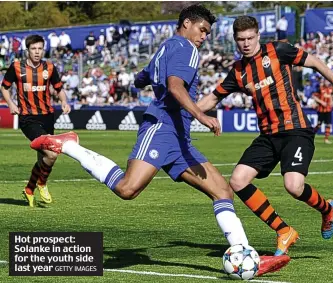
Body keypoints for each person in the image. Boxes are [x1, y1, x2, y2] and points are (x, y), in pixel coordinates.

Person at [31, 5, 289, 275]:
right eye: (202, 30)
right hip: (163, 129)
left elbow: (141, 77)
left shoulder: (166, 47)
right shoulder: (188, 49)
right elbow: (175, 85)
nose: (204, 37)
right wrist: (201, 114)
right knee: (127, 189)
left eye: (208, 33)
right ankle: (70, 144)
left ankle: (245, 257)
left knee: (222, 191)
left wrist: (143, 81)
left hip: (179, 139)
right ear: (187, 23)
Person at [197, 16, 333, 256]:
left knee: (293, 186)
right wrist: (188, 112)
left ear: (258, 36)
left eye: (250, 38)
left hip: (296, 130)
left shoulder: (278, 50)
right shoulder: (239, 72)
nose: (246, 43)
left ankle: (326, 209)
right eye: (241, 40)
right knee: (238, 180)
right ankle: (283, 231)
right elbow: (213, 98)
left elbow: (315, 62)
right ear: (235, 41)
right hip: (268, 136)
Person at [0, 35, 71, 207]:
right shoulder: (17, 67)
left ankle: (29, 189)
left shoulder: (50, 67)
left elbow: (59, 88)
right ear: (28, 50)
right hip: (28, 118)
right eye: (34, 49)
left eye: (40, 48)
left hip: (47, 117)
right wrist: (10, 103)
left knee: (44, 158)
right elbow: (5, 87)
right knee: (52, 153)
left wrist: (64, 100)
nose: (37, 52)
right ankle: (42, 183)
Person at [313, 79, 333, 144]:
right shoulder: (320, 88)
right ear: (324, 81)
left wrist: (331, 101)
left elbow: (331, 96)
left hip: (328, 109)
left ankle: (326, 139)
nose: (327, 82)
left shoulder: (331, 88)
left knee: (329, 124)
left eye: (328, 81)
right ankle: (311, 135)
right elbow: (314, 96)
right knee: (319, 124)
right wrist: (321, 102)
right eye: (326, 81)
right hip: (321, 110)